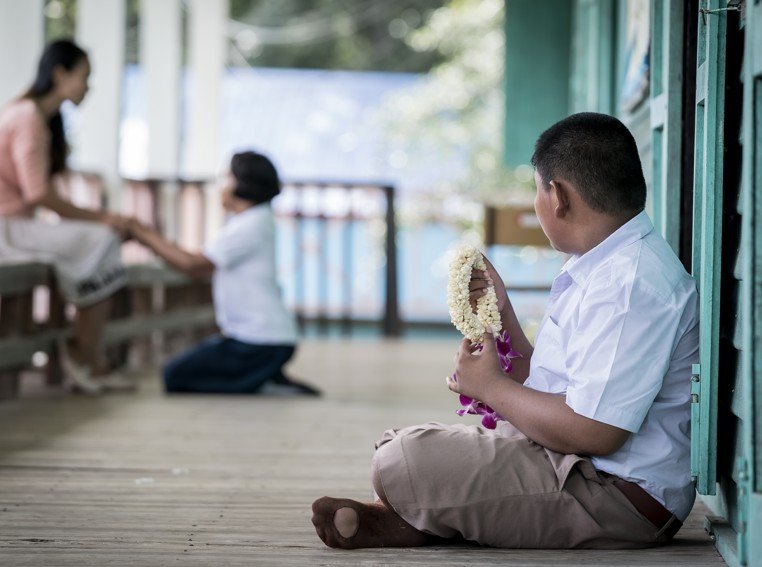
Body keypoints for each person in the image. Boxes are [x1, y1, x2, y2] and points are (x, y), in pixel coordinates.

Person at [311, 112, 700, 549]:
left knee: (404, 459)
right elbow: (555, 388)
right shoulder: (604, 265)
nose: (537, 202)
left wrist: (491, 387)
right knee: (403, 444)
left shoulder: (629, 284)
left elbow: (596, 431)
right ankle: (407, 518)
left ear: (558, 197)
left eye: (536, 189)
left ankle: (405, 517)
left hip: (615, 496)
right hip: (577, 465)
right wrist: (503, 314)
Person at [0, 39, 133, 394]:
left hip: (13, 226)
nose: (87, 86)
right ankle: (84, 353)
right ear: (60, 73)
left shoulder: (40, 117)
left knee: (102, 244)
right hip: (1, 229)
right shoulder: (27, 116)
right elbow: (39, 194)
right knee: (102, 239)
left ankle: (88, 354)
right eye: (84, 76)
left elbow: (42, 195)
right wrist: (100, 217)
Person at [128, 151, 320, 396]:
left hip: (258, 340)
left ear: (242, 184)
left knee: (174, 375)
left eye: (225, 178)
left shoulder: (250, 224)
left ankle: (260, 383)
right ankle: (264, 377)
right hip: (264, 340)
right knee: (196, 365)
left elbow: (194, 265)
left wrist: (143, 234)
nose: (220, 187)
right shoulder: (254, 220)